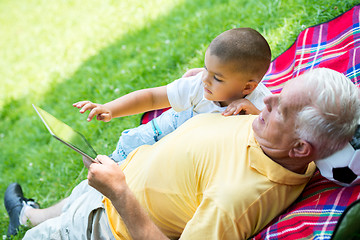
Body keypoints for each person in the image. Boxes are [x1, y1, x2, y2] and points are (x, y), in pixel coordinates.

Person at [4, 68, 360, 239]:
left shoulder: (237, 200)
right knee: (75, 197)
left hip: (104, 225)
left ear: (300, 148)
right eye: (279, 92)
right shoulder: (276, 135)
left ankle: (31, 225)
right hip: (120, 176)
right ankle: (27, 216)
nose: (268, 99)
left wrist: (119, 191)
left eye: (281, 108)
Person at [73, 27, 272, 163]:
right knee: (133, 150)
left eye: (217, 78)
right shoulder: (198, 86)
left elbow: (275, 138)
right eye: (205, 69)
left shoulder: (260, 105)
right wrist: (110, 108)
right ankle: (111, 164)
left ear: (247, 88)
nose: (204, 79)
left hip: (188, 154)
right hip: (167, 132)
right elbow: (152, 97)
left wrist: (254, 115)